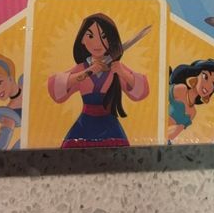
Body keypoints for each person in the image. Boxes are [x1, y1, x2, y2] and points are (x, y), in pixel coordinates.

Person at [48, 13, 149, 148]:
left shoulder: (116, 68)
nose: (97, 43)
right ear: (82, 40)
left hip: (110, 126)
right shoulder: (82, 68)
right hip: (84, 125)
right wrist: (88, 72)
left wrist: (123, 73)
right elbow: (56, 87)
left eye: (104, 37)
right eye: (90, 36)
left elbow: (142, 91)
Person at [167, 58, 214, 142]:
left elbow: (172, 136)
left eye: (213, 83)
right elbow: (157, 99)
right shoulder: (181, 89)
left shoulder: (193, 112)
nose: (209, 85)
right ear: (194, 76)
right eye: (205, 76)